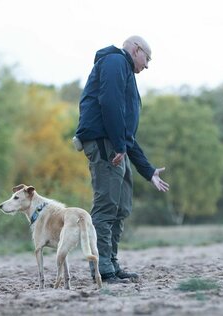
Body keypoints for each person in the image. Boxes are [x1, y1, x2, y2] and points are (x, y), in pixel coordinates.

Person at [75, 35, 170, 284]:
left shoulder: (124, 70)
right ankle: (102, 269)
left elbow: (127, 135)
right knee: (106, 206)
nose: (147, 65)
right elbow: (110, 102)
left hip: (115, 144)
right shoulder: (116, 61)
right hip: (105, 143)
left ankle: (112, 263)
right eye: (147, 58)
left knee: (121, 208)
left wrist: (148, 170)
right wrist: (118, 144)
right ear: (136, 49)